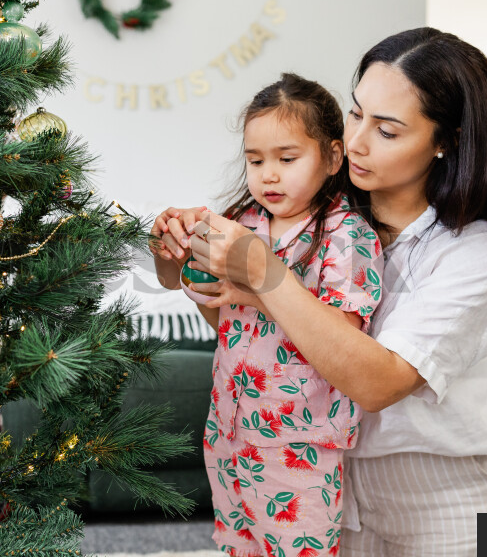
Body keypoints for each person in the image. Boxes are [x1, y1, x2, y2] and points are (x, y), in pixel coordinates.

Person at [158, 28, 487, 556]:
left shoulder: (475, 248)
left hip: (451, 494)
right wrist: (196, 264)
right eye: (356, 113)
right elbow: (252, 332)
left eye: (386, 130)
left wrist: (264, 275)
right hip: (332, 481)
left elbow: (377, 382)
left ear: (447, 141)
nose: (358, 143)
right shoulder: (310, 211)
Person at [151, 73, 384, 557]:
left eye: (286, 159)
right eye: (256, 161)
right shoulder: (241, 224)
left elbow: (341, 340)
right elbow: (197, 297)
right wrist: (170, 251)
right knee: (238, 545)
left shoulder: (347, 237)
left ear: (333, 158)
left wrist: (257, 290)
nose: (268, 175)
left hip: (299, 442)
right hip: (228, 428)